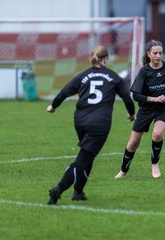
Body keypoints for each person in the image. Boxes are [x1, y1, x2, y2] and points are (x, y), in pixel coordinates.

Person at [46, 45, 135, 205]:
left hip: (80, 120)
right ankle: (58, 190)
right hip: (99, 124)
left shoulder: (82, 75)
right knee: (82, 159)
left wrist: (53, 106)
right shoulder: (114, 77)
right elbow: (127, 98)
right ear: (106, 59)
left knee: (88, 155)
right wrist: (131, 114)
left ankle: (78, 192)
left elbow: (64, 92)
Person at [114, 39, 165, 179]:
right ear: (149, 54)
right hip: (146, 109)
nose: (158, 56)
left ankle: (155, 165)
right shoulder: (144, 71)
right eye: (155, 53)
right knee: (133, 143)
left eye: (160, 53)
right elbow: (136, 95)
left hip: (164, 108)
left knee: (157, 134)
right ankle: (123, 170)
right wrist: (154, 99)